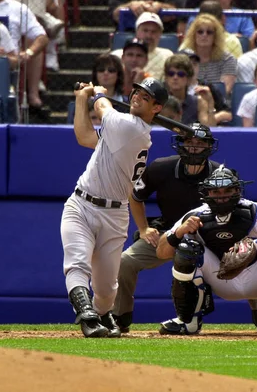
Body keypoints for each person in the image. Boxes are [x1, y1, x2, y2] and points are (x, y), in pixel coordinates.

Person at [63, 77, 168, 338]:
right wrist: (80, 99)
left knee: (107, 289)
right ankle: (87, 315)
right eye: (137, 92)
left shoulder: (129, 127)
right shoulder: (123, 128)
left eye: (146, 97)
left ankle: (100, 312)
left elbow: (102, 108)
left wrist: (98, 93)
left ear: (156, 108)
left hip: (115, 214)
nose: (137, 97)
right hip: (81, 205)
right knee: (77, 264)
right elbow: (84, 136)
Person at [156, 165, 257, 336]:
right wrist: (179, 232)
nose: (222, 196)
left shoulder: (253, 209)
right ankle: (187, 321)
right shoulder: (196, 214)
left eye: (227, 190)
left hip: (256, 277)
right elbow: (162, 252)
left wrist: (255, 245)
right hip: (219, 278)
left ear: (237, 190)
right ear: (206, 193)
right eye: (216, 191)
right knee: (186, 249)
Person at [111, 123, 220, 333]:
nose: (194, 147)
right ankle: (120, 316)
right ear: (180, 144)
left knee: (245, 256)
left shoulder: (219, 173)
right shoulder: (161, 168)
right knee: (125, 261)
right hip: (166, 235)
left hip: (207, 238)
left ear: (209, 146)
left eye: (200, 143)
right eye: (189, 142)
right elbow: (135, 197)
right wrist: (143, 229)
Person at [179, 13, 238, 96]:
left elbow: (224, 91)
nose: (204, 35)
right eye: (200, 32)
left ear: (215, 36)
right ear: (193, 35)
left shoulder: (227, 59)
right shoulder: (184, 58)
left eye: (209, 32)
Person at [111, 12, 174, 80]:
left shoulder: (167, 56)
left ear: (160, 35)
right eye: (145, 30)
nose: (149, 36)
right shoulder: (116, 56)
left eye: (154, 32)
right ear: (137, 31)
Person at [163, 53, 218, 126]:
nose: (175, 77)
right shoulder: (159, 102)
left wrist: (211, 103)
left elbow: (209, 129)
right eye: (171, 73)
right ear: (166, 78)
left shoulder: (198, 102)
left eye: (181, 74)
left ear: (188, 79)